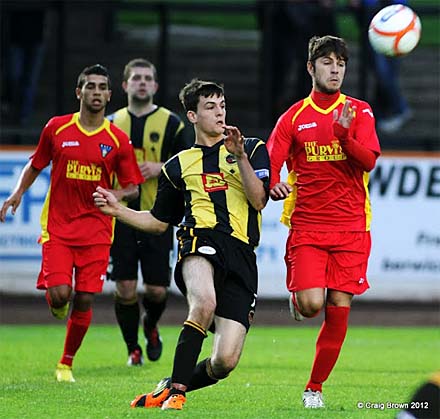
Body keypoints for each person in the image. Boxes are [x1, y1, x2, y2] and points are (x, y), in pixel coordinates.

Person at [93, 79, 270, 410]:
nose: (220, 112)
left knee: (225, 361)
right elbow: (159, 221)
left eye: (222, 105)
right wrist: (118, 210)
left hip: (243, 254)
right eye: (210, 107)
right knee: (203, 303)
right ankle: (176, 394)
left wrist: (241, 157)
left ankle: (170, 384)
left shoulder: (253, 148)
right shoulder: (177, 166)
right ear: (192, 116)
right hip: (198, 241)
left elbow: (258, 200)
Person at [0, 64, 144, 383]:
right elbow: (36, 163)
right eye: (89, 86)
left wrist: (114, 195)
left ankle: (65, 363)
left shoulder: (117, 140)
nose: (96, 92)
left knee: (86, 297)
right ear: (79, 92)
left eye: (102, 87)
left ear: (109, 94)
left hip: (97, 230)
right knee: (61, 294)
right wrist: (16, 193)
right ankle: (58, 303)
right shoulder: (57, 128)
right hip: (59, 227)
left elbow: (133, 186)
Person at [266, 35, 381, 408]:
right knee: (313, 304)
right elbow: (272, 157)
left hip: (351, 228)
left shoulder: (359, 112)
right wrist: (273, 181)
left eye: (341, 63)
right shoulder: (294, 117)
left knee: (338, 308)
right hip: (309, 227)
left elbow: (368, 161)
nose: (335, 69)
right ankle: (301, 298)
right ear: (311, 68)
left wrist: (344, 137)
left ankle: (314, 388)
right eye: (327, 62)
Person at [106, 58, 191, 366]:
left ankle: (151, 325)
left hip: (158, 217)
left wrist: (162, 167)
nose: (142, 82)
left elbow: (192, 161)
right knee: (125, 287)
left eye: (147, 78)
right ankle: (133, 348)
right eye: (136, 78)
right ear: (126, 85)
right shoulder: (111, 123)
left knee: (156, 291)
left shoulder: (173, 123)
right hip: (123, 217)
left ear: (155, 86)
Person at [257, 0, 338, 124]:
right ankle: (274, 112)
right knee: (278, 66)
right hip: (281, 15)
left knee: (309, 66)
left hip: (310, 16)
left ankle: (306, 112)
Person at [349, 0, 413, 134]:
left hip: (393, 13)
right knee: (382, 70)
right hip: (380, 12)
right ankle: (388, 110)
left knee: (384, 70)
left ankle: (397, 108)